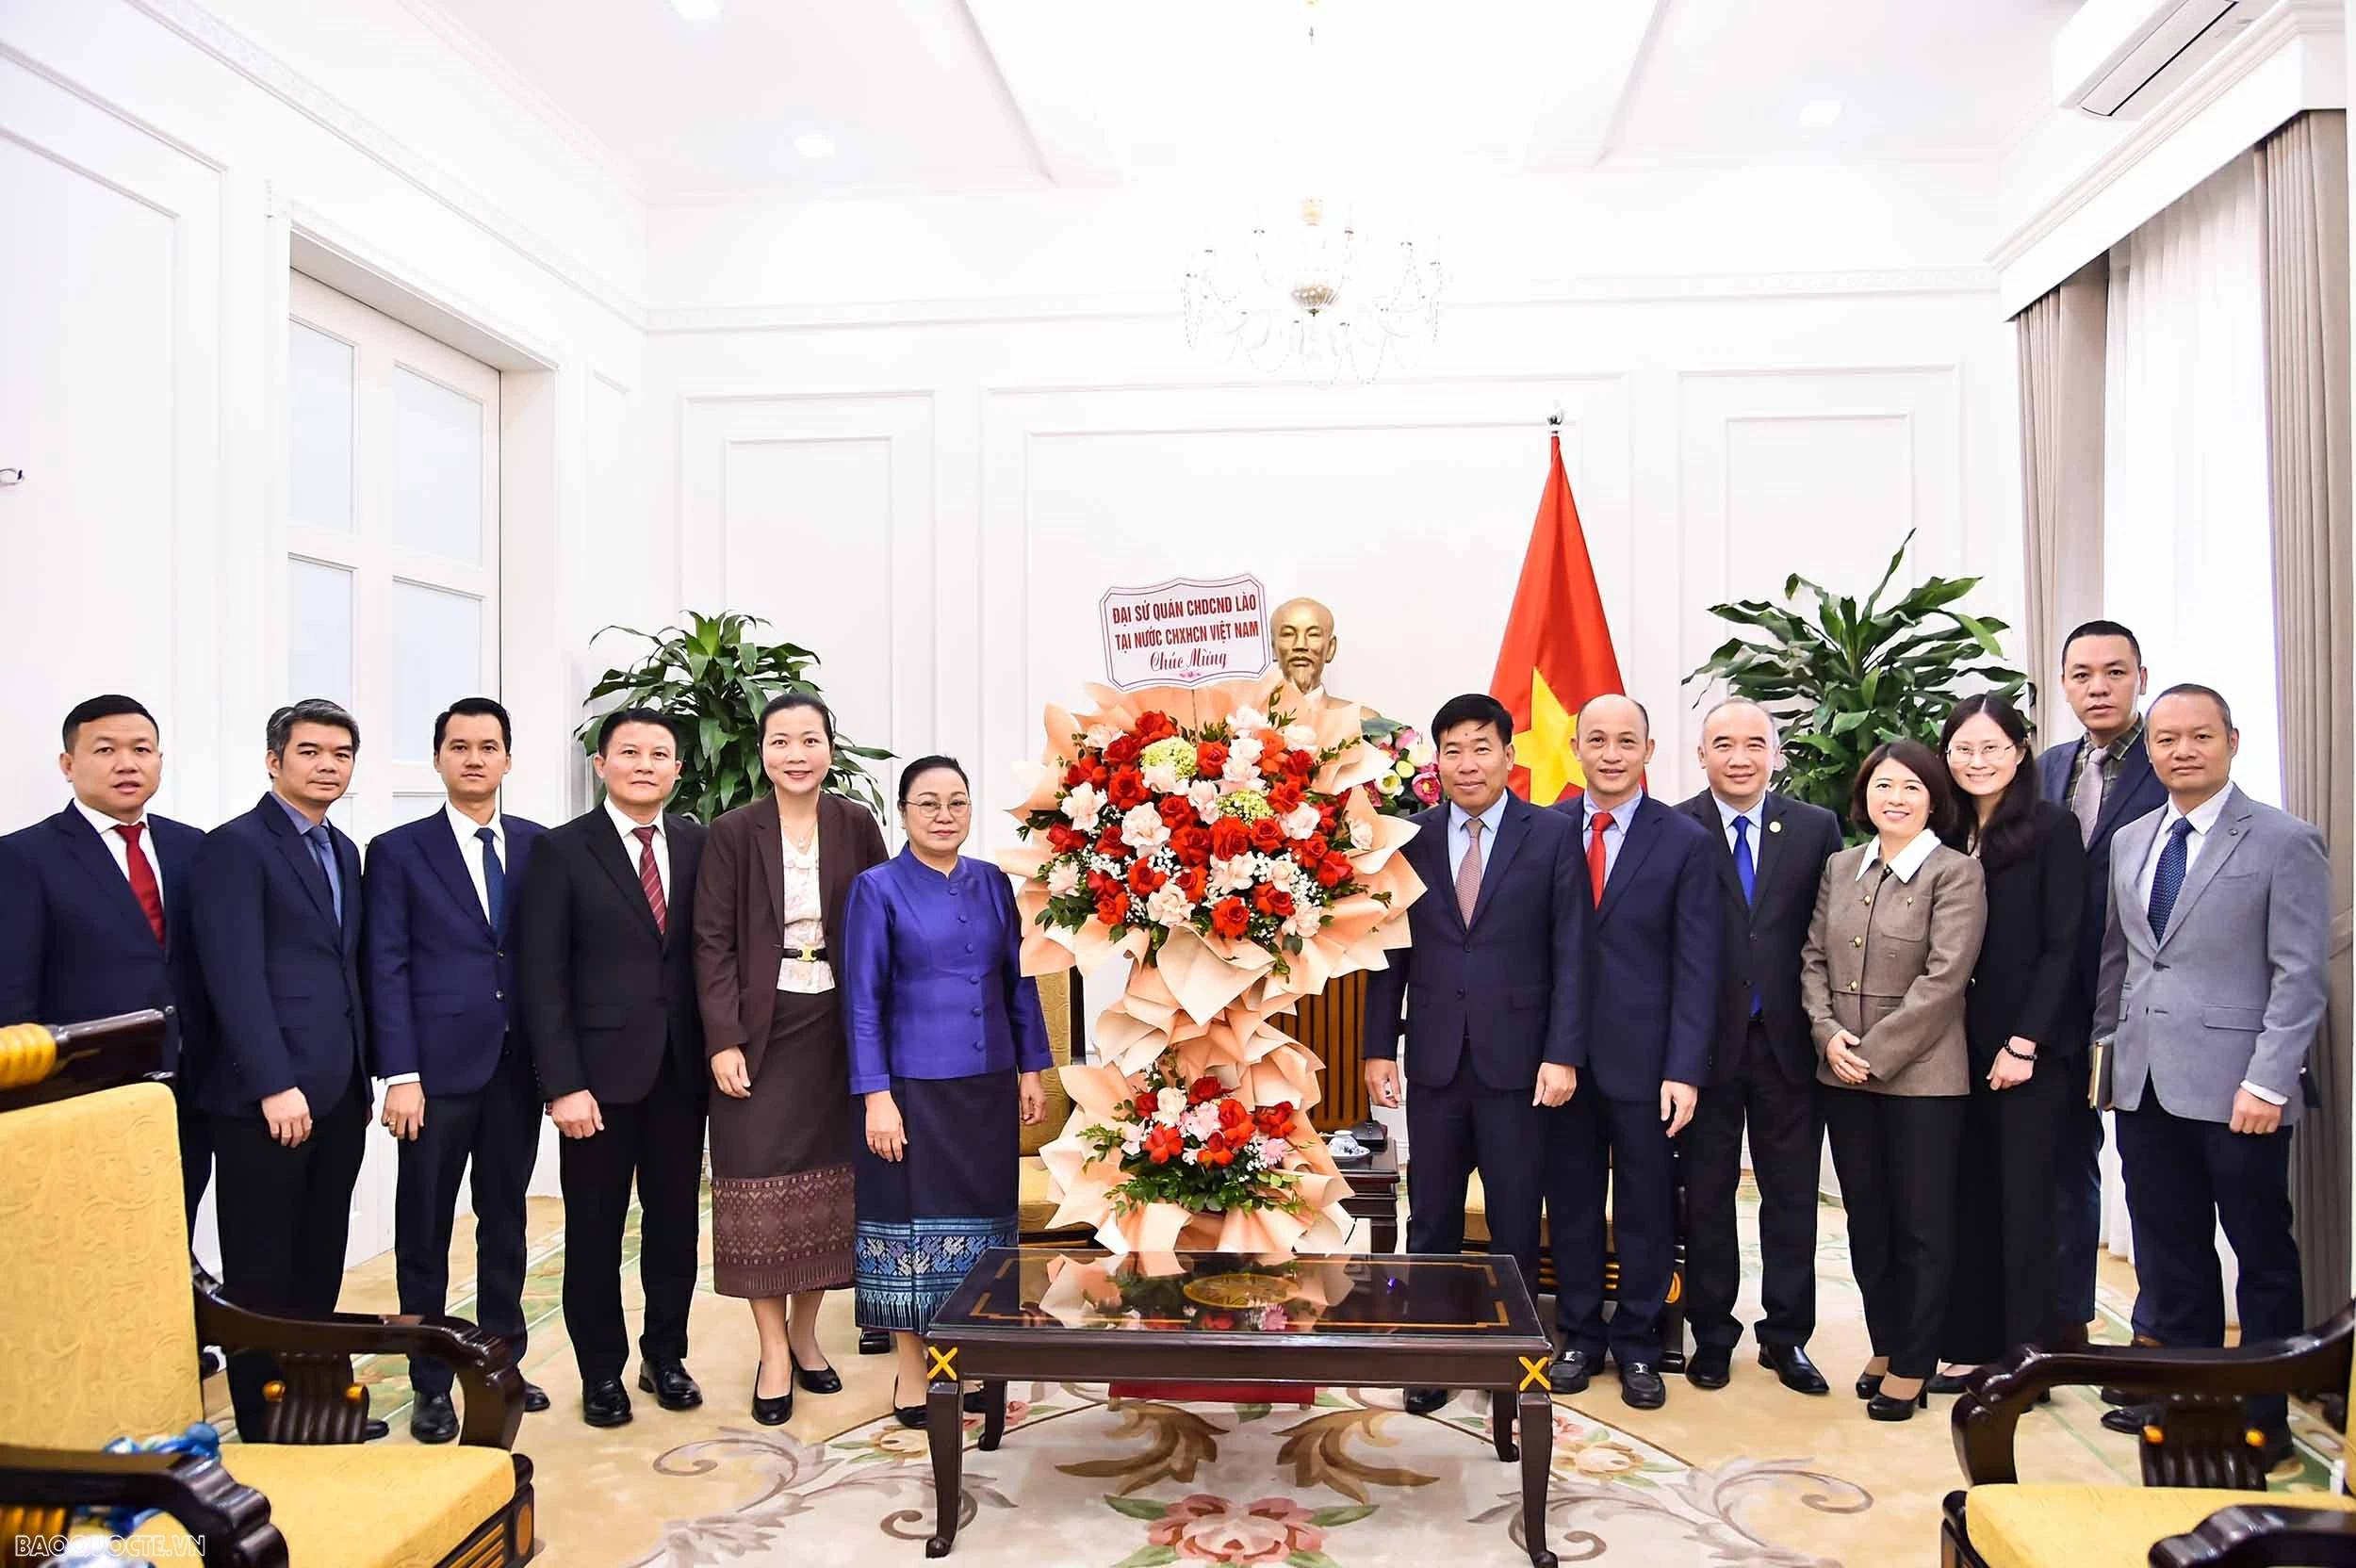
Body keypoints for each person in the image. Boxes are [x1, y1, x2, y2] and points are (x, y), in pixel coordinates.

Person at [2094, 684, 2327, 1468]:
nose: (2182, 750)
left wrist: (2269, 1081)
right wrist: (2108, 1057)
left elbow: (2299, 975)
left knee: (2261, 1256)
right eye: (2166, 739)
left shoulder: (2283, 840)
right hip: (2146, 1085)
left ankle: (2265, 1423)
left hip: (2241, 1090)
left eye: (2199, 736)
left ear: (2232, 741)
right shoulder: (2133, 839)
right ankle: (2187, 1405)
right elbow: (2122, 961)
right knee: (2171, 1256)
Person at [1363, 693, 1586, 1416]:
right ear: (1437, 762)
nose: (1468, 763)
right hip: (1434, 1059)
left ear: (1508, 756)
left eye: (1481, 748)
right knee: (1431, 1215)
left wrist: (1563, 1052)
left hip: (1521, 1064)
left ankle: (1510, 1356)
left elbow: (1572, 951)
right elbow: (1390, 951)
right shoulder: (1412, 839)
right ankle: (1431, 1352)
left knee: (1516, 1217)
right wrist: (1377, 1048)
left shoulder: (1552, 835)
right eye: (1453, 750)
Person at [184, 698, 379, 1441]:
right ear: (274, 761)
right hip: (266, 1097)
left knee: (319, 1261)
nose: (328, 765)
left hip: (338, 1090)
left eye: (341, 754)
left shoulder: (343, 849)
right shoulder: (234, 847)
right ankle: (265, 1423)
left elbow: (343, 969)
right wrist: (273, 1082)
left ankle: (316, 1408)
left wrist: (363, 1075)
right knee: (262, 1271)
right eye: (310, 752)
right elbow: (232, 977)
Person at [693, 694, 888, 1426]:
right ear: (763, 752)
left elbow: (881, 922)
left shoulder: (856, 824)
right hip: (758, 1028)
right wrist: (723, 1038)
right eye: (781, 741)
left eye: (810, 740)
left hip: (838, 1025)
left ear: (830, 750)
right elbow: (711, 941)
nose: (796, 754)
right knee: (758, 1189)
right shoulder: (731, 832)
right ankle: (772, 1351)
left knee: (828, 1191)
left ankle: (806, 1336)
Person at [515, 708, 710, 1429]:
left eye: (659, 754)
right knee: (595, 1232)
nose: (644, 765)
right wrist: (562, 1084)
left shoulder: (697, 843)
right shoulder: (561, 849)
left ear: (677, 770)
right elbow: (542, 978)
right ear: (601, 765)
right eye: (629, 752)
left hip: (680, 1073)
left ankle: (666, 1357)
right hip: (594, 1081)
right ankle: (600, 1372)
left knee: (675, 1227)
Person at [841, 757, 1050, 1429]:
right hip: (910, 1090)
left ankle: (976, 1360)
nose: (943, 815)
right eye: (927, 803)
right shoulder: (876, 888)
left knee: (985, 1228)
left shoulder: (993, 883)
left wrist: (1031, 1068)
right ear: (903, 812)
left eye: (957, 802)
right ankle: (914, 1374)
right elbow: (862, 1002)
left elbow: (1019, 981)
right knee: (910, 1232)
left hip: (986, 1085)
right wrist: (875, 1096)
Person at [362, 697, 548, 1440]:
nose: (475, 758)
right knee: (425, 1231)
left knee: (505, 1223)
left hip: (515, 1069)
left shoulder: (538, 846)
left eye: (488, 746)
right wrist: (399, 1073)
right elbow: (386, 965)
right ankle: (431, 1382)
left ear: (508, 759)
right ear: (438, 758)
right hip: (434, 1077)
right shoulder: (397, 850)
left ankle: (499, 1364)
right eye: (460, 746)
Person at [1801, 740, 1985, 1422]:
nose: (1896, 798)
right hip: (1843, 1071)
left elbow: (1945, 979)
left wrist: (1873, 1053)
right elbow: (1813, 958)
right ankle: (1886, 1342)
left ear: (1934, 800)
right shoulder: (1841, 866)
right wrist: (1828, 1035)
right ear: (1865, 795)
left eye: (1911, 787)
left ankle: (1914, 1360)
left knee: (1922, 1227)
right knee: (1868, 1220)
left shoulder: (1956, 872)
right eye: (1883, 785)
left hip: (1923, 1079)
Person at [1546, 695, 1717, 1410]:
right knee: (1573, 1202)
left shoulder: (1684, 841)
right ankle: (1580, 1335)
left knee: (1646, 1206)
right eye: (1597, 740)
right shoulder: (1546, 830)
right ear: (1576, 748)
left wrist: (1684, 1068)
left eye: (1626, 741)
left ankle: (1640, 1343)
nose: (1611, 754)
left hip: (1648, 1065)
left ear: (1649, 750)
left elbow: (1698, 965)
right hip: (1560, 1060)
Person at [1677, 698, 1842, 1397]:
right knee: (1708, 1196)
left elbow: (1830, 931)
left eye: (1754, 744)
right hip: (1705, 1046)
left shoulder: (1815, 828)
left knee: (1790, 1197)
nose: (1739, 757)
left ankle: (1786, 1336)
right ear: (1701, 755)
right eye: (1723, 744)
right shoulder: (1675, 827)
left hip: (1788, 1043)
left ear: (1776, 754)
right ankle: (1713, 1334)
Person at [0, 695, 211, 1228]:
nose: (127, 764)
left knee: (174, 1227)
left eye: (141, 750)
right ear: (68, 764)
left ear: (159, 760)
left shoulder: (193, 847)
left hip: (189, 1084)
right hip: (85, 1090)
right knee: (94, 1235)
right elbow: (13, 991)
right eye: (105, 750)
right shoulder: (24, 856)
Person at [1931, 695, 2088, 1393]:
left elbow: (2064, 945)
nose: (1977, 761)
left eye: (1992, 747)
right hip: (1949, 1045)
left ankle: (2025, 1360)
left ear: (2020, 753)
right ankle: (1970, 1345)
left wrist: (2024, 1042)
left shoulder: (2052, 828)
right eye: (1963, 749)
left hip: (2027, 1048)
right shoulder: (1942, 827)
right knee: (1965, 1196)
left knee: (2025, 1203)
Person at [2036, 619, 2164, 1357]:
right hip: (2056, 1002)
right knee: (2063, 1164)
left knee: (2153, 1176)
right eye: (2082, 674)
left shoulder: (2167, 757)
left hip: (2140, 995)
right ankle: (2063, 1329)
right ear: (2064, 686)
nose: (2099, 687)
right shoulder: (2048, 767)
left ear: (2140, 679)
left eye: (2115, 672)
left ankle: (2157, 1341)